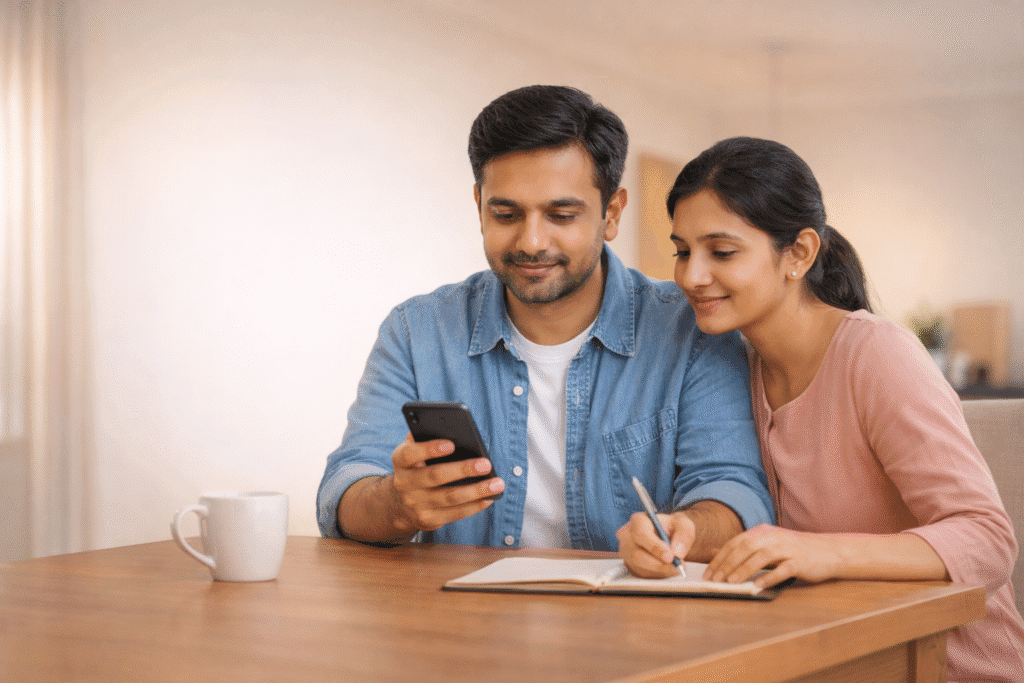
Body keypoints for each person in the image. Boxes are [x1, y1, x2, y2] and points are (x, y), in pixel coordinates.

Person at [617, 136, 1023, 681]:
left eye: (722, 252)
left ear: (800, 253)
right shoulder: (735, 367)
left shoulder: (875, 354)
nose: (691, 276)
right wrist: (680, 535)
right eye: (683, 250)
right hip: (827, 663)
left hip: (942, 667)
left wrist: (821, 553)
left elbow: (988, 538)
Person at [317, 86, 773, 553]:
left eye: (561, 214)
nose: (532, 241)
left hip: (632, 622)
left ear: (611, 214)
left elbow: (734, 491)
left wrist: (688, 530)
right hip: (461, 620)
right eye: (506, 213)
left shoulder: (690, 331)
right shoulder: (417, 332)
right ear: (479, 207)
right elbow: (344, 489)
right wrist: (396, 503)